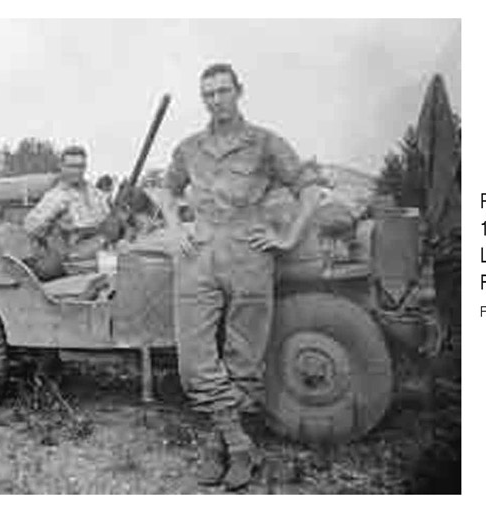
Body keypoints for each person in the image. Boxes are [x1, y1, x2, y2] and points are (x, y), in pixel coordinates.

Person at [156, 63, 321, 491]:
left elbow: (310, 188)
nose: (215, 100)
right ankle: (239, 442)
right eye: (208, 93)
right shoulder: (190, 147)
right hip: (200, 254)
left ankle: (219, 445)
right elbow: (165, 188)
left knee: (243, 359)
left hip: (249, 255)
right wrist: (176, 228)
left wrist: (286, 237)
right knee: (194, 363)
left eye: (223, 91)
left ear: (238, 91)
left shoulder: (266, 142)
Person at [22, 145, 112, 280]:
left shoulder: (97, 195)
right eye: (71, 166)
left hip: (104, 256)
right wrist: (52, 221)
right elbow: (30, 227)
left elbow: (109, 221)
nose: (76, 171)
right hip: (73, 264)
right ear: (61, 166)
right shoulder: (55, 197)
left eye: (80, 167)